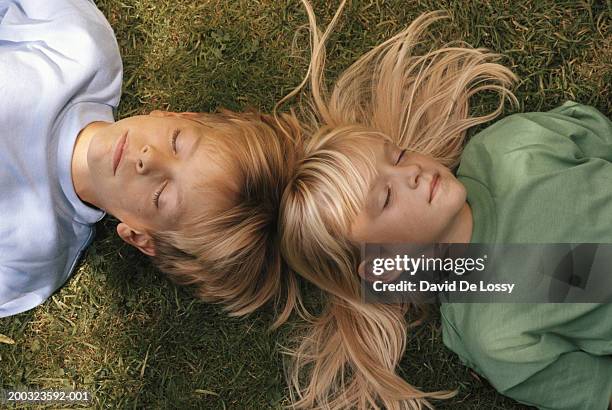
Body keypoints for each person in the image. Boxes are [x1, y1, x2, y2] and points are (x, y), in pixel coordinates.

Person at [249, 3, 612, 410]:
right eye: (385, 198)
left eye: (399, 156)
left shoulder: (506, 148)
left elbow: (596, 134)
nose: (412, 174)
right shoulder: (495, 332)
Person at [0, 0, 296, 321]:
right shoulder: (81, 51)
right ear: (177, 115)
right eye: (176, 142)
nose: (148, 159)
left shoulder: (37, 254)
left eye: (162, 196)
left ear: (140, 237)